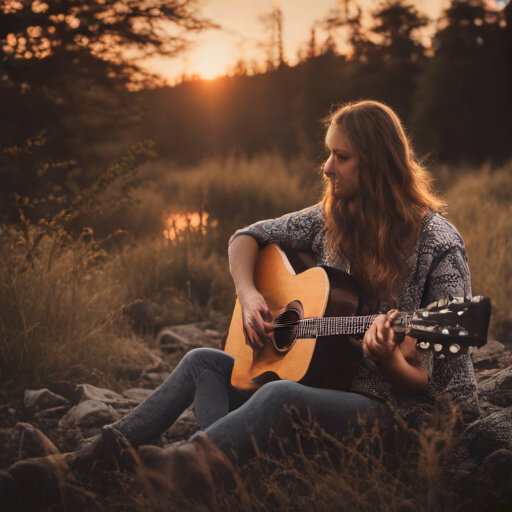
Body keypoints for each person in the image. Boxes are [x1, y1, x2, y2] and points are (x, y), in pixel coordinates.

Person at [2, 100, 479, 498]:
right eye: (328, 154)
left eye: (341, 157)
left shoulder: (437, 244)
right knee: (202, 362)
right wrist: (250, 294)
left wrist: (389, 362)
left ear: (376, 162)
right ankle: (86, 462)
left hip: (396, 418)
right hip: (330, 389)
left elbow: (448, 392)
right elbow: (246, 236)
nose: (327, 166)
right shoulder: (334, 215)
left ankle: (173, 470)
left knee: (278, 394)